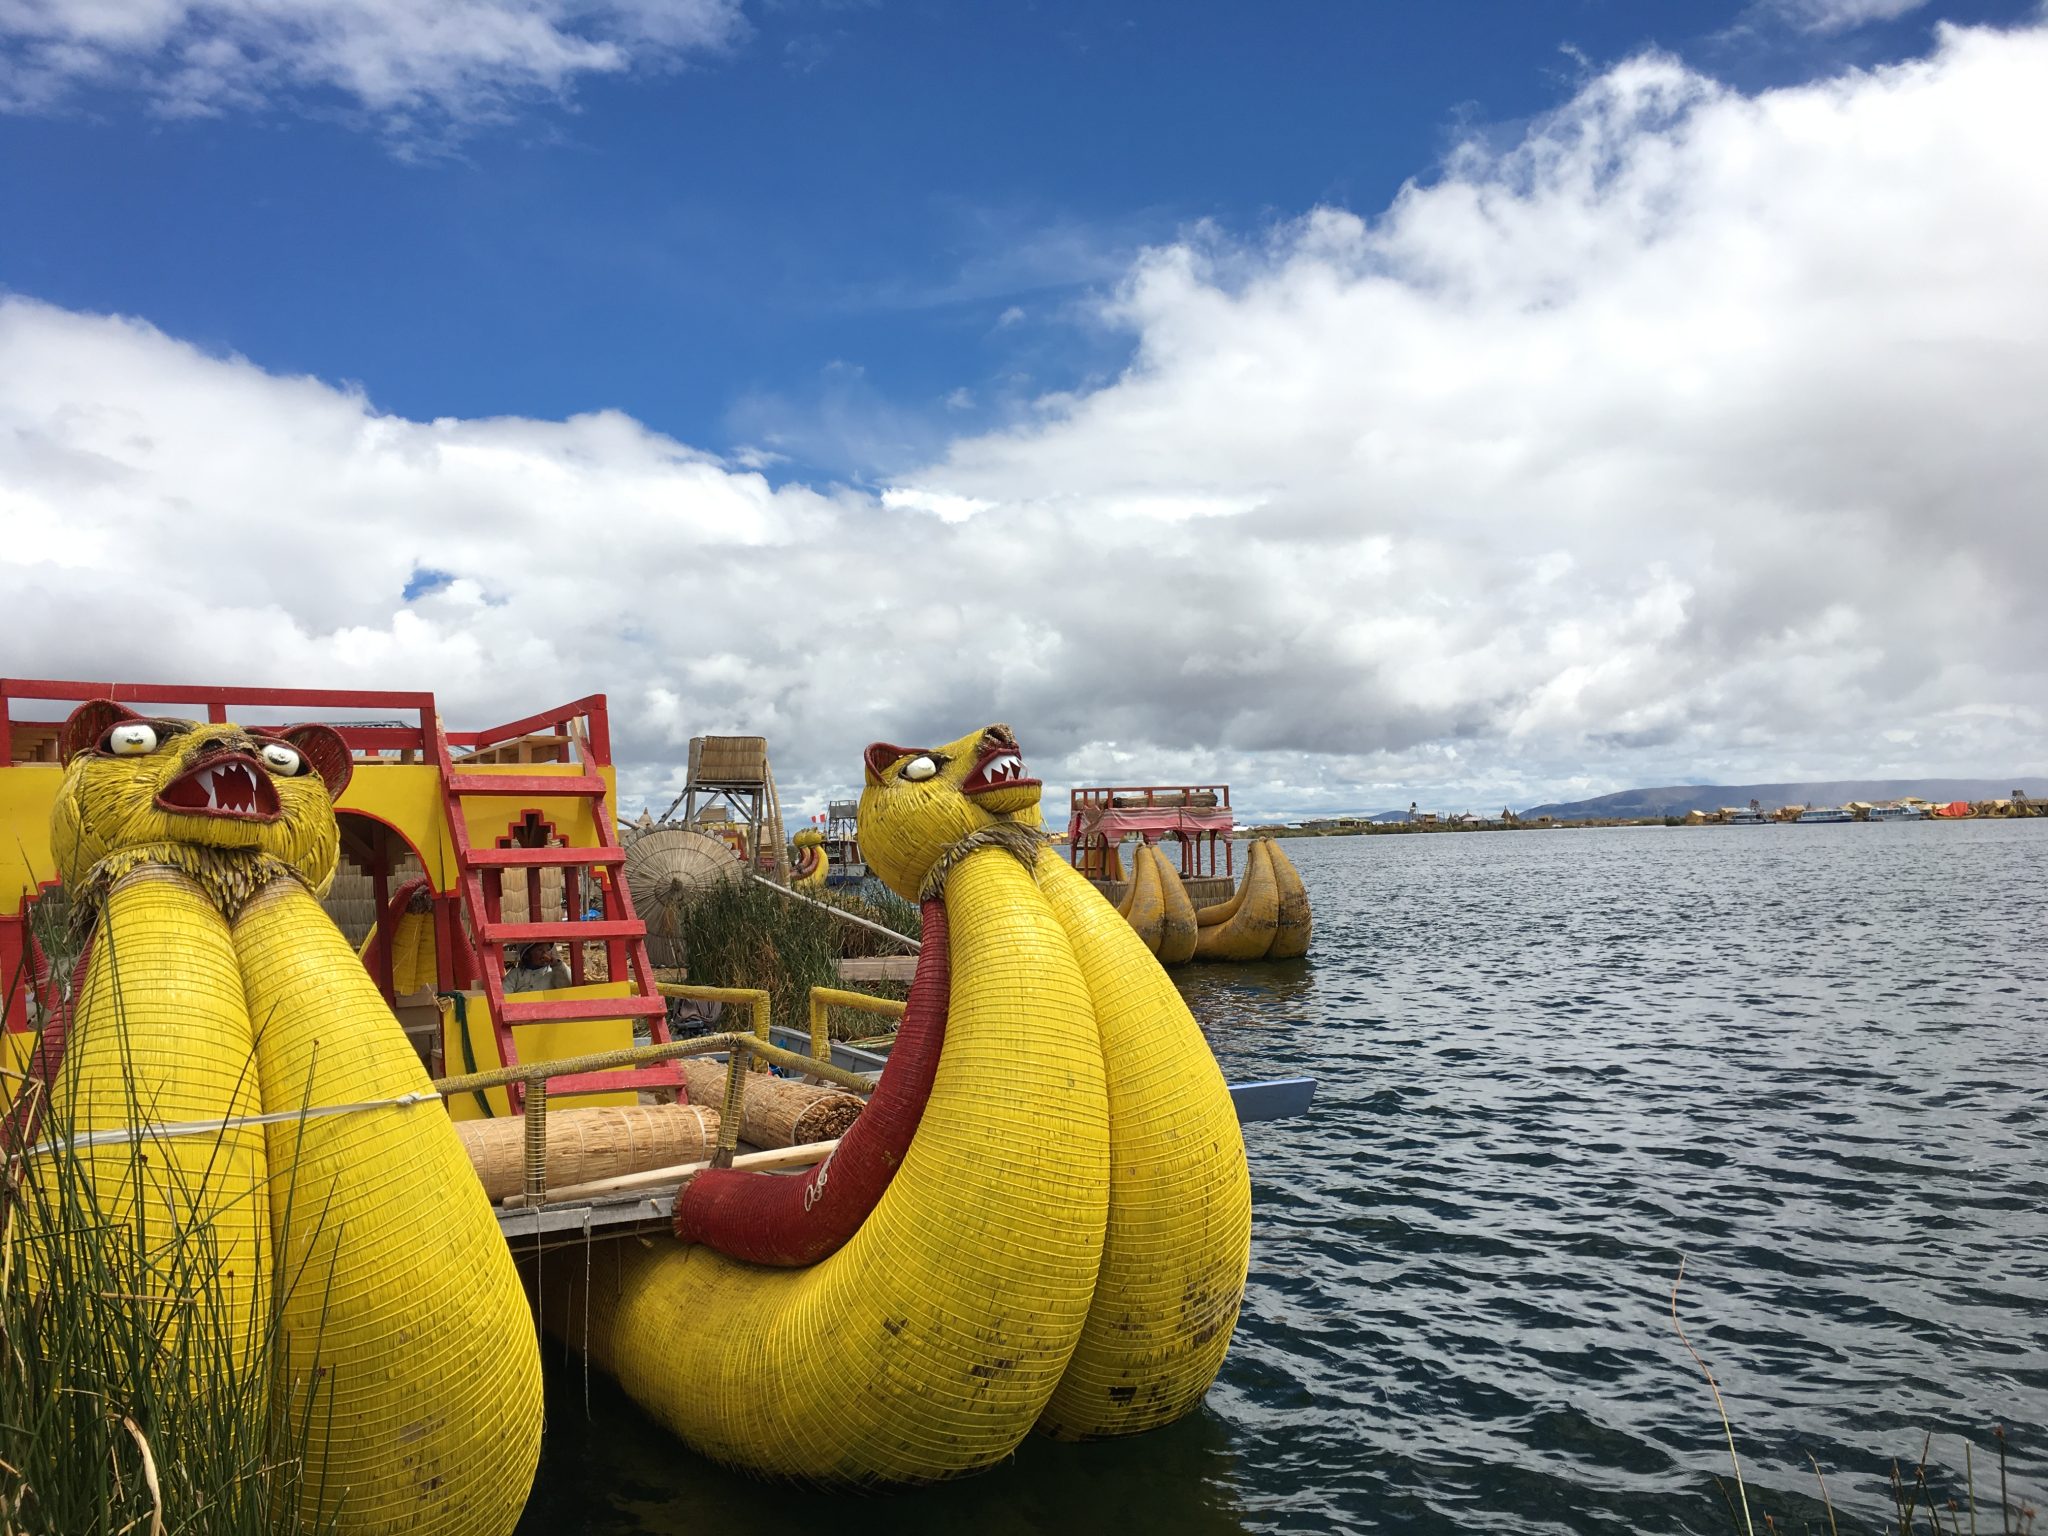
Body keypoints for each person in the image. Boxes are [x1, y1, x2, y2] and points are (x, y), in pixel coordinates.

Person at [503, 941, 570, 994]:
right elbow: (504, 992)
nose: (545, 953)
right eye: (540, 949)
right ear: (527, 955)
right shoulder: (515, 974)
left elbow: (566, 985)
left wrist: (557, 965)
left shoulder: (553, 973)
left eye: (548, 949)